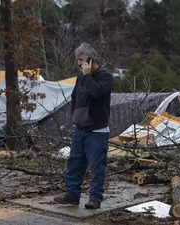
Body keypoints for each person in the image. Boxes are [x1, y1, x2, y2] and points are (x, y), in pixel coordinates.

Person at [54, 42, 113, 209]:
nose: (79, 63)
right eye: (77, 60)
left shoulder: (105, 77)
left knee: (97, 166)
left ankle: (95, 198)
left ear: (90, 59)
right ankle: (72, 195)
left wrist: (87, 76)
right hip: (80, 129)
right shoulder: (81, 77)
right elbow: (75, 97)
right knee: (74, 163)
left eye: (81, 59)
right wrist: (75, 117)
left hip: (97, 131)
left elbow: (96, 93)